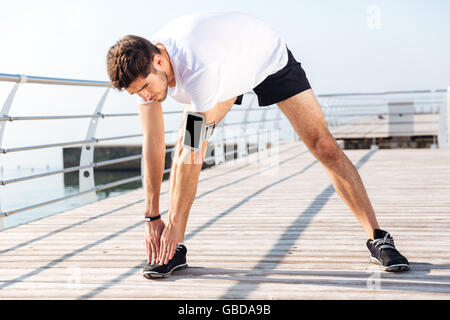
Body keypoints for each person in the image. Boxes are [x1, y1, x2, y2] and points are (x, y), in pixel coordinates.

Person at [106, 11, 409, 278]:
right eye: (136, 93)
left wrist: (169, 225)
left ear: (158, 61)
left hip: (265, 58)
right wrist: (152, 216)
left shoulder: (199, 69)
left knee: (323, 145)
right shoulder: (142, 71)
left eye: (145, 87)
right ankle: (174, 252)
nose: (144, 96)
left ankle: (378, 237)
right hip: (228, 67)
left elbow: (192, 153)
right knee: (183, 143)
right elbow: (153, 142)